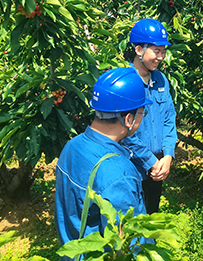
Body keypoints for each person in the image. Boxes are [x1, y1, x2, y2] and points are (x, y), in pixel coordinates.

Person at [55, 67, 152, 256]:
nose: (143, 118)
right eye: (143, 113)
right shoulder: (119, 173)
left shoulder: (71, 147)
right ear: (129, 119)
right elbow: (128, 244)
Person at [120, 18, 177, 214]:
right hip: (133, 165)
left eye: (163, 51)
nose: (161, 57)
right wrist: (149, 161)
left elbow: (169, 118)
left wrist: (168, 155)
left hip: (158, 166)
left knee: (151, 213)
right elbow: (123, 130)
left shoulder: (161, 79)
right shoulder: (125, 83)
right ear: (138, 50)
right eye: (156, 51)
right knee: (130, 218)